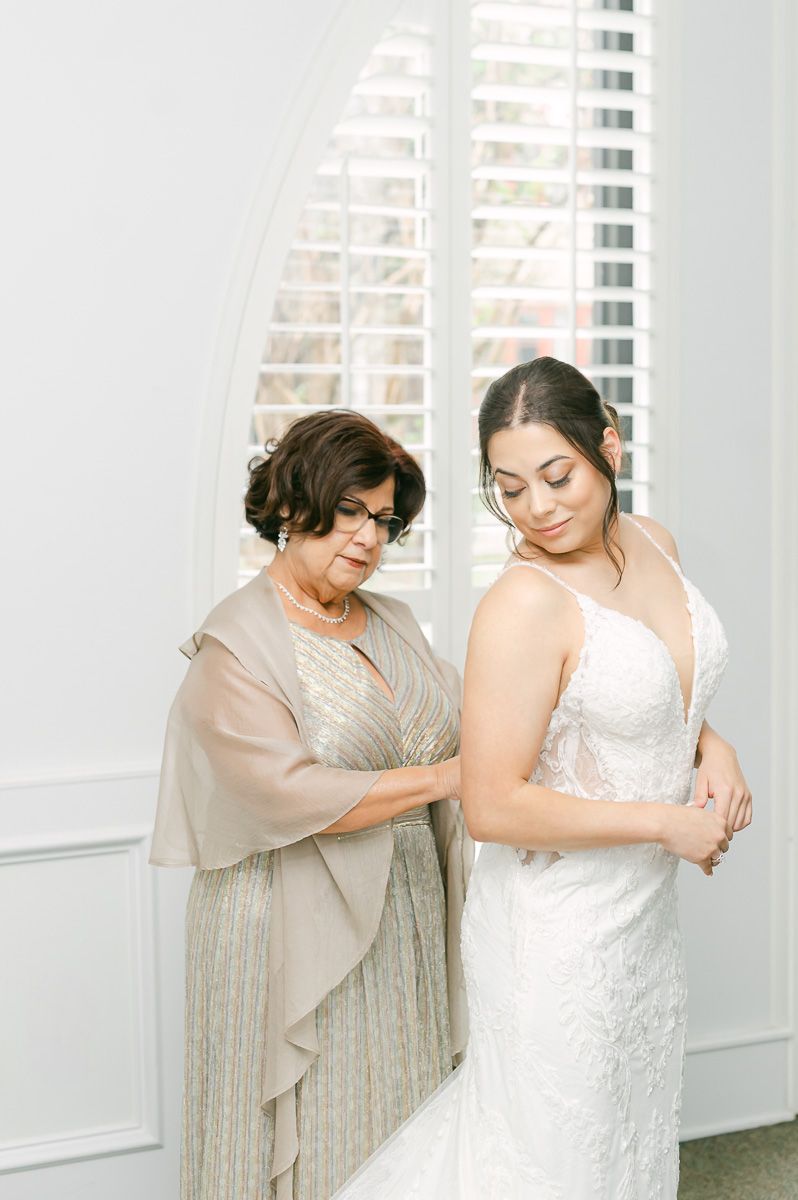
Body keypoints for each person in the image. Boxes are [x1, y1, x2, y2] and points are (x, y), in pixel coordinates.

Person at [333, 357, 752, 1200]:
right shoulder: (523, 604)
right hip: (555, 931)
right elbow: (490, 803)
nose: (538, 508)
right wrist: (666, 822)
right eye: (511, 487)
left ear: (610, 446)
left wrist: (716, 749)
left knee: (627, 1144)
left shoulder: (654, 545)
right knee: (552, 1161)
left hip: (640, 922)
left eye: (557, 476)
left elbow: (654, 694)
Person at [150, 409, 473, 1200]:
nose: (368, 537)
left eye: (385, 519)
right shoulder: (237, 646)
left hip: (406, 907)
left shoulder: (395, 622)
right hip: (280, 921)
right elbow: (284, 790)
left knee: (398, 1116)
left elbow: (471, 727)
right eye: (352, 509)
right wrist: (445, 779)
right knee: (310, 1126)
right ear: (294, 507)